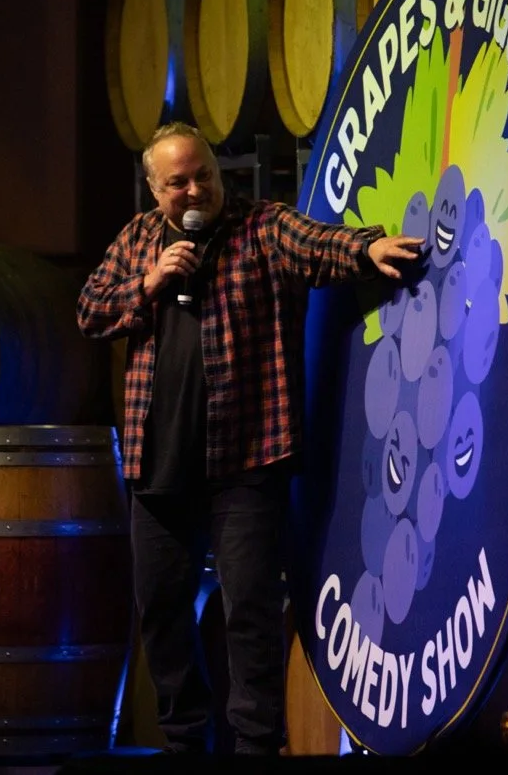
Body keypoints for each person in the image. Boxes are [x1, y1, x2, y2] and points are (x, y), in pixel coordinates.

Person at [76, 122, 424, 755]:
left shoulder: (260, 228)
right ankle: (184, 740)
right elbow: (89, 311)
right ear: (155, 190)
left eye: (202, 174)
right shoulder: (137, 242)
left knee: (251, 613)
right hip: (157, 468)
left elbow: (318, 244)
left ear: (217, 171)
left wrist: (367, 249)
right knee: (160, 613)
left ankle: (256, 748)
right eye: (176, 182)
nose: (193, 190)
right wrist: (149, 282)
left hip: (246, 463)